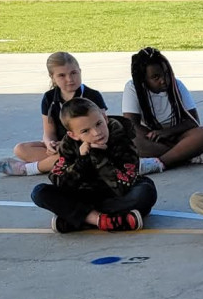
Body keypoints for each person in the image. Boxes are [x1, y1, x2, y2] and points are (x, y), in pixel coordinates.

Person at [30, 98, 157, 234]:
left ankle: (79, 220)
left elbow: (123, 187)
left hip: (113, 195)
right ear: (73, 135)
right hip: (83, 195)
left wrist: (98, 156)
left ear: (105, 118)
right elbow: (59, 181)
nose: (97, 132)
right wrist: (82, 160)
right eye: (85, 131)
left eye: (98, 124)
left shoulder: (122, 140)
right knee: (39, 192)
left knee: (145, 190)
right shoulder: (68, 145)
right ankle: (103, 220)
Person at [0, 51, 107, 177]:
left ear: (80, 71)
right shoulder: (49, 98)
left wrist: (69, 146)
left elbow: (102, 128)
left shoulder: (92, 95)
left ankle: (30, 168)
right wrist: (50, 144)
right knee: (20, 149)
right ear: (52, 77)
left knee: (73, 154)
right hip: (59, 145)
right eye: (62, 75)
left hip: (86, 143)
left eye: (74, 73)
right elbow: (48, 132)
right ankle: (60, 163)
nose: (70, 79)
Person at [122, 46, 203, 170]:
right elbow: (131, 124)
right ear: (143, 79)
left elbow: (193, 121)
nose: (164, 80)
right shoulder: (133, 88)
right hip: (152, 138)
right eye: (156, 77)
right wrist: (157, 136)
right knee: (132, 141)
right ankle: (189, 154)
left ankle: (159, 163)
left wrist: (167, 133)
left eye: (166, 74)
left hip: (178, 134)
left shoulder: (177, 85)